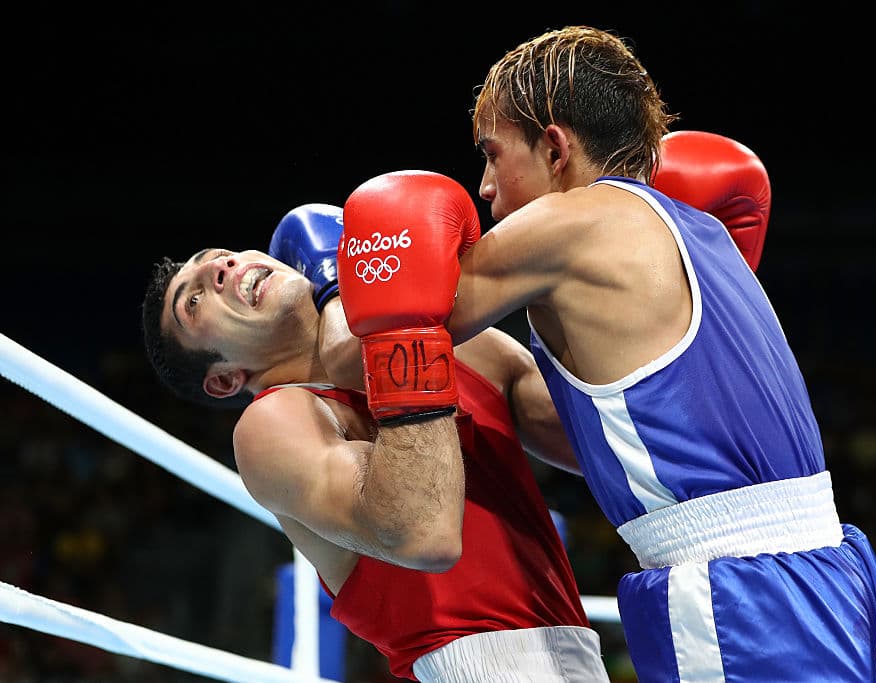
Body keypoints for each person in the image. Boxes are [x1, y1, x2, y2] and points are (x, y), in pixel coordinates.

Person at [334, 25, 876, 683]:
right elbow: (597, 427)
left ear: (554, 147)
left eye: (493, 154)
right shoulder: (702, 229)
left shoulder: (571, 224)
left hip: (742, 600)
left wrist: (315, 287)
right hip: (839, 576)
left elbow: (395, 323)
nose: (485, 186)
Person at [140, 200, 611, 682]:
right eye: (193, 303)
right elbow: (423, 531)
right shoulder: (274, 423)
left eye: (219, 256)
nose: (220, 269)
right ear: (223, 380)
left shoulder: (458, 344)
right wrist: (349, 299)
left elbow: (609, 446)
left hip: (575, 652)